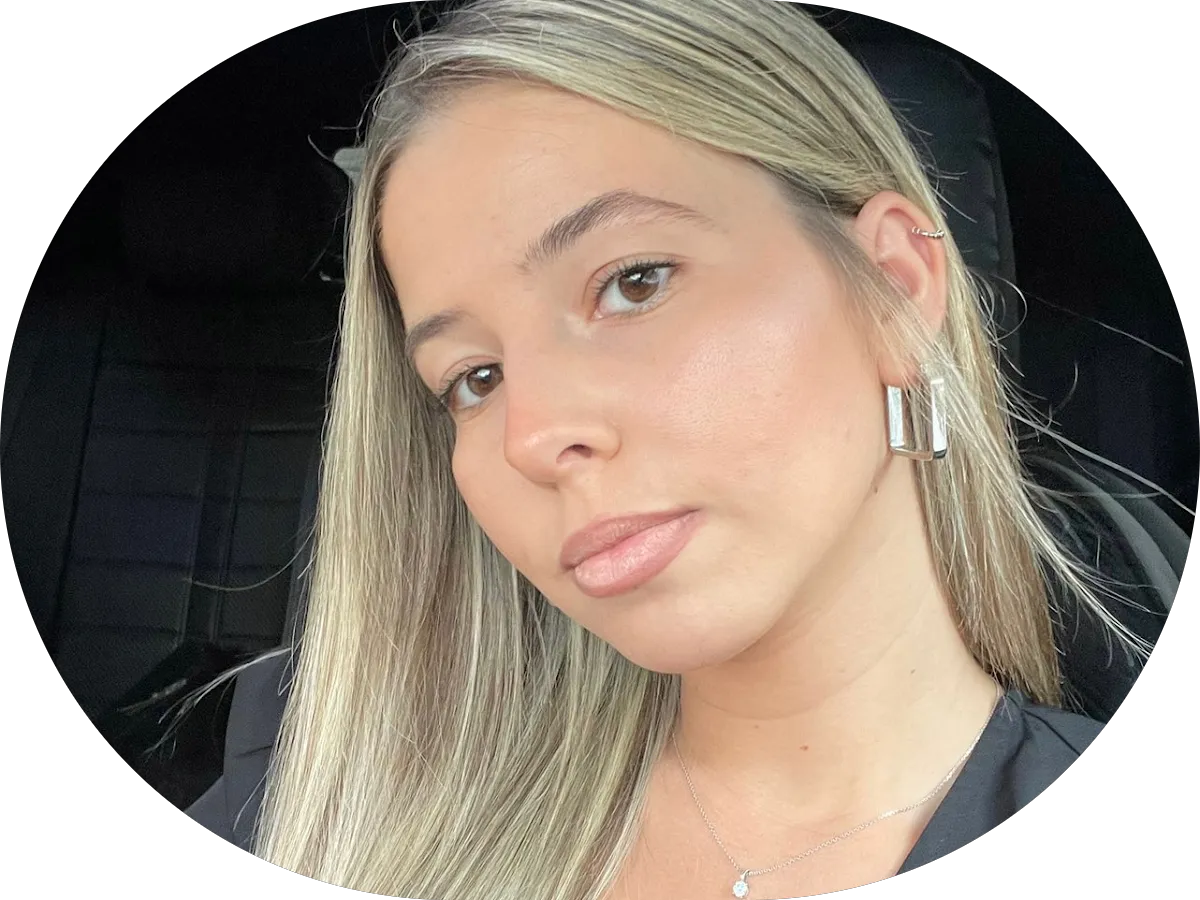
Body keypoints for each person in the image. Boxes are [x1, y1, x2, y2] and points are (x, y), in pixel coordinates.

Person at [182, 1, 1167, 897]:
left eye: (635, 282)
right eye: (473, 379)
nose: (532, 437)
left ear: (895, 288)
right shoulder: (324, 792)